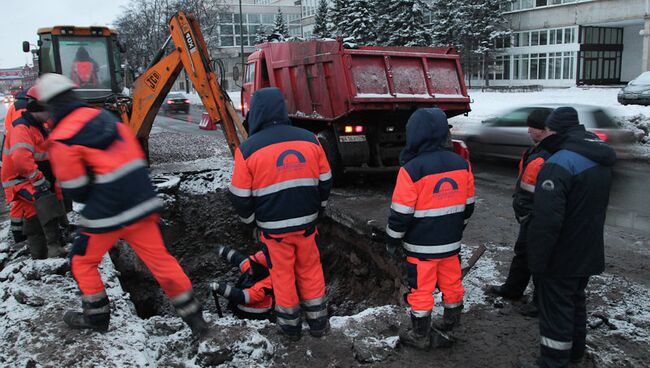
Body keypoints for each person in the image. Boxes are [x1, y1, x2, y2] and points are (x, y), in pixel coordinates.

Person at [33, 73, 208, 336]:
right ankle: (194, 317)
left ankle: (96, 317)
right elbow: (135, 156)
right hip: (141, 200)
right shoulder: (106, 118)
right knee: (161, 261)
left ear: (50, 106)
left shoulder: (62, 138)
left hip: (106, 211)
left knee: (82, 260)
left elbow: (76, 190)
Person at [229, 87, 332, 341]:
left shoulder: (248, 149)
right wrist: (319, 210)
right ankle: (318, 322)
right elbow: (326, 181)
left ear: (256, 113)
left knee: (282, 274)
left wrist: (251, 222)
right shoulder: (310, 140)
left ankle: (290, 326)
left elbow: (241, 197)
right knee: (310, 269)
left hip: (274, 231)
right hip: (307, 224)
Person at [526, 107, 616, 368]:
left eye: (549, 130)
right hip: (587, 247)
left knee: (556, 311)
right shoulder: (597, 156)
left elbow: (547, 221)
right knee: (575, 303)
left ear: (556, 130)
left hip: (561, 254)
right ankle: (575, 354)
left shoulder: (558, 164)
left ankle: (553, 362)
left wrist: (538, 260)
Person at [386, 108, 475, 350]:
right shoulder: (461, 164)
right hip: (451, 245)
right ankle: (450, 323)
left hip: (420, 248)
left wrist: (393, 240)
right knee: (452, 284)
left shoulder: (412, 170)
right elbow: (468, 206)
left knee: (421, 290)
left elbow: (401, 214)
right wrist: (456, 230)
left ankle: (420, 335)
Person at [487, 109, 555, 317]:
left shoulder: (550, 154)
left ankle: (540, 302)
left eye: (532, 126)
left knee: (540, 259)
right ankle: (513, 289)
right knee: (523, 252)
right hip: (530, 215)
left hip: (540, 216)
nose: (528, 130)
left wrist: (530, 212)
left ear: (544, 129)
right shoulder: (538, 150)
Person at [1, 87, 67, 258]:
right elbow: (21, 159)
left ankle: (53, 246)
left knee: (50, 204)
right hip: (20, 180)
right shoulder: (22, 128)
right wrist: (38, 180)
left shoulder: (39, 126)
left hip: (32, 177)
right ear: (39, 109)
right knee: (41, 209)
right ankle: (44, 254)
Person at [211, 245, 274, 320]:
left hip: (255, 317)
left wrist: (221, 288)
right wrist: (224, 251)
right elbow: (238, 259)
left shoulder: (263, 287)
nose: (250, 267)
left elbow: (241, 296)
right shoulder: (256, 272)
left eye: (253, 266)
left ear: (260, 270)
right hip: (242, 311)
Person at [2, 91, 29, 241]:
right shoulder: (22, 109)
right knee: (23, 199)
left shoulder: (14, 107)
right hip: (16, 165)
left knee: (18, 201)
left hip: (11, 160)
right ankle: (20, 234)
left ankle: (18, 233)